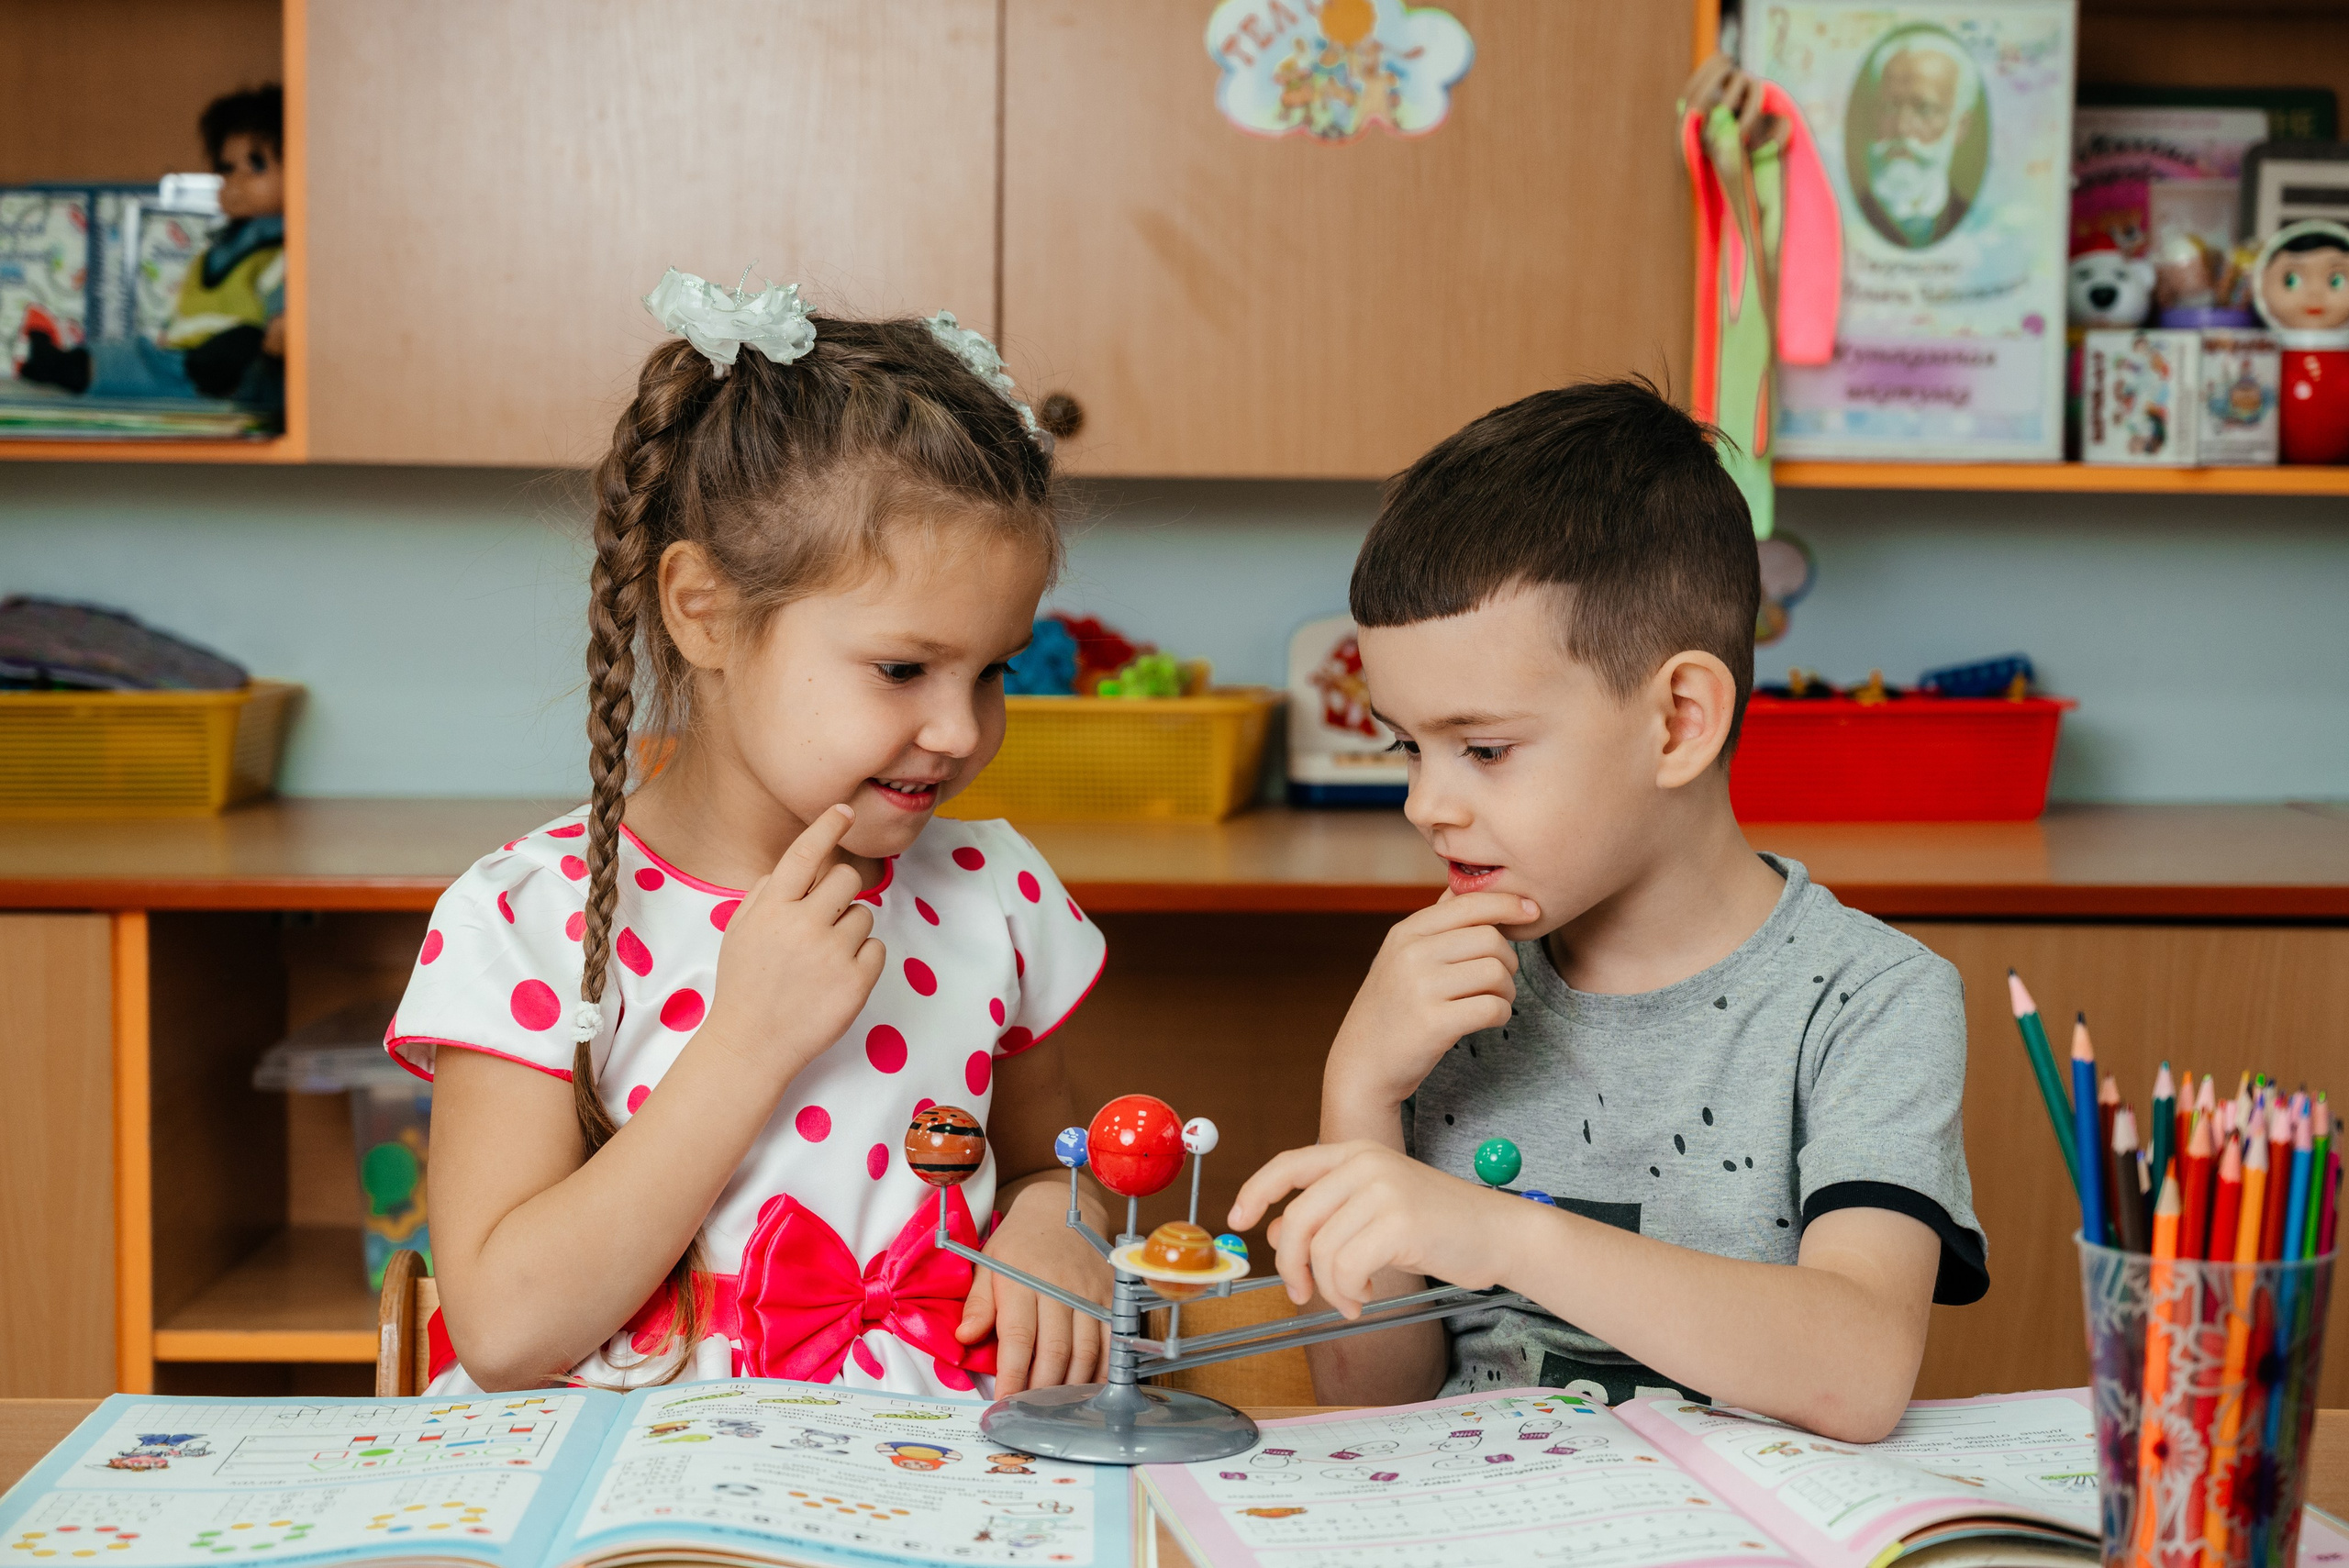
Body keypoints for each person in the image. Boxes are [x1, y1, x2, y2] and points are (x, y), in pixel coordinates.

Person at [389, 271, 1109, 1396]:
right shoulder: (526, 916)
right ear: (703, 610)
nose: (960, 728)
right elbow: (505, 1326)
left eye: (994, 670)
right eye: (903, 668)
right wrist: (745, 1041)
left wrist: (1055, 1225)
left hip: (934, 1482)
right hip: (627, 1496)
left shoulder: (991, 892)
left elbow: (1045, 1164)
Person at [1230, 380, 1984, 1443]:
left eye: (1483, 749)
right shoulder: (1447, 984)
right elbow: (1369, 1402)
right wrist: (1360, 1090)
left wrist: (1506, 1236)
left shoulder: (1869, 1001)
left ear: (1678, 720)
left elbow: (1856, 1370)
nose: (1425, 803)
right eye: (1408, 745)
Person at [17, 85, 287, 410]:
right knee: (134, 355)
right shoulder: (217, 249)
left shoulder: (283, 251)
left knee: (241, 347)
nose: (237, 184)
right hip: (183, 361)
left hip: (235, 369)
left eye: (257, 167)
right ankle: (64, 365)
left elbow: (283, 316)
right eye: (226, 170)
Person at [1854, 31, 1979, 250]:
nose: (1902, 128)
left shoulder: (1977, 222)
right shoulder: (1848, 212)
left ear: (1960, 126)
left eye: (1924, 110)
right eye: (1890, 107)